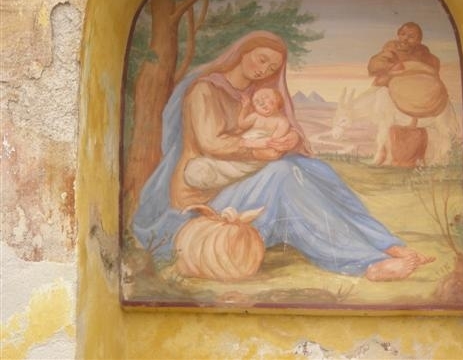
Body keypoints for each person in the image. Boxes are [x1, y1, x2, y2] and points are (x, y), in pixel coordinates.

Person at [132, 30, 433, 281]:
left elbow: (274, 129)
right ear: (243, 52)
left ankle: (387, 244)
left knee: (315, 170)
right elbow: (211, 143)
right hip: (205, 198)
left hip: (241, 182)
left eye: (273, 68)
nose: (265, 70)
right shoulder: (204, 90)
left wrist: (289, 140)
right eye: (262, 59)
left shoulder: (255, 97)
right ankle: (365, 262)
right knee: (283, 175)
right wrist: (259, 149)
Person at [183, 87, 291, 190]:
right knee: (218, 162)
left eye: (265, 97)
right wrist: (245, 108)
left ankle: (208, 175)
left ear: (278, 100)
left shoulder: (282, 121)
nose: (261, 102)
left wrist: (251, 144)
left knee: (234, 168)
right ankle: (204, 170)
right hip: (242, 150)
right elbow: (242, 124)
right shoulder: (256, 116)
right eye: (257, 102)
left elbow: (273, 144)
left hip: (255, 156)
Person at [368, 22, 441, 87]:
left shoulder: (422, 51)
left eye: (411, 37)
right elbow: (375, 63)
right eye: (402, 34)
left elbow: (434, 63)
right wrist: (392, 67)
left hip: (413, 80)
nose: (405, 38)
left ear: (418, 41)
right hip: (394, 78)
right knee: (382, 81)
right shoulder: (392, 47)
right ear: (398, 34)